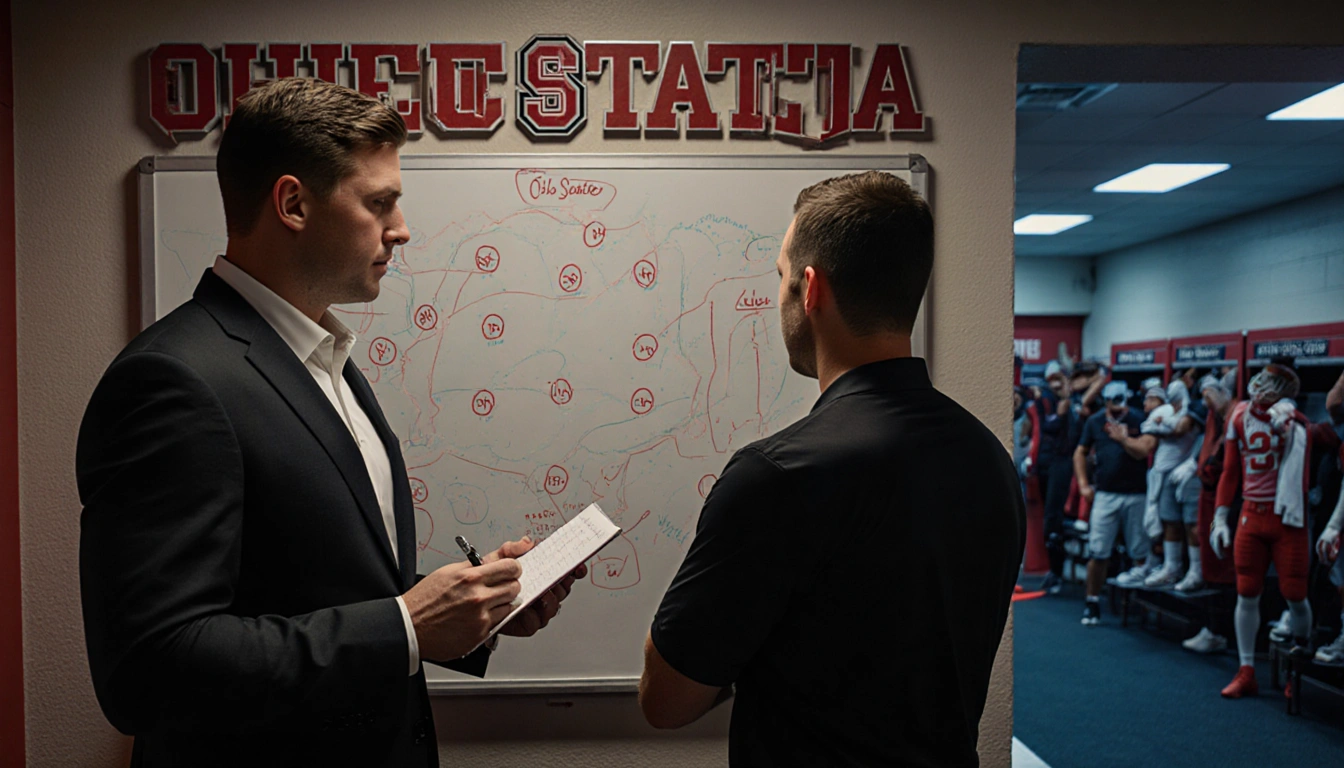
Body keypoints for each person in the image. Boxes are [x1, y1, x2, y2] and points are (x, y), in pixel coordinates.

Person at [76, 79, 584, 766]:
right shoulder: (173, 381)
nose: (401, 229)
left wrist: (470, 613)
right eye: (379, 203)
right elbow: (151, 668)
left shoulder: (327, 360)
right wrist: (406, 624)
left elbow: (336, 592)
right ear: (292, 203)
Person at [637, 171, 1025, 766]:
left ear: (811, 288)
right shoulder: (988, 460)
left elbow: (666, 700)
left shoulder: (779, 476)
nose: (780, 295)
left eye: (782, 276)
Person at [1210, 364, 1342, 699]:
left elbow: (1322, 439)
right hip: (1251, 514)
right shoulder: (1238, 415)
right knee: (1246, 590)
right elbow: (1229, 471)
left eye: (1274, 383)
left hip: (1288, 519)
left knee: (1295, 595)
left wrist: (1297, 424)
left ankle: (1296, 668)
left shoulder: (1293, 419)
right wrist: (1220, 517)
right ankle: (1246, 670)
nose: (1264, 387)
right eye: (1264, 379)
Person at [1074, 382, 1150, 626]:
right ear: (1106, 401)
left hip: (1137, 493)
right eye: (1113, 404)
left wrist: (1123, 438)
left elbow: (1143, 452)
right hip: (1106, 494)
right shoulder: (1095, 421)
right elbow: (1080, 452)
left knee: (1140, 551)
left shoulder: (1139, 418)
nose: (1118, 409)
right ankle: (1092, 602)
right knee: (1098, 551)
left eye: (1121, 403)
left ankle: (1140, 606)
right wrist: (1084, 484)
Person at [1141, 379, 1201, 588]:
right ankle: (1171, 567)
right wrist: (1160, 423)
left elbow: (1180, 429)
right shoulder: (1167, 409)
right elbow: (1145, 425)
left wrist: (1161, 423)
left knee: (1192, 524)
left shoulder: (1192, 409)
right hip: (1166, 472)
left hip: (1190, 472)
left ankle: (1196, 571)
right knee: (1169, 521)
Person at [1033, 360, 1079, 594]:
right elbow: (1047, 426)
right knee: (1049, 518)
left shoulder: (1074, 401)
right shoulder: (1044, 400)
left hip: (1063, 463)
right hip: (1046, 463)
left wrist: (1068, 399)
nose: (1056, 383)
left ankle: (1057, 571)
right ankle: (1055, 569)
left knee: (1053, 517)